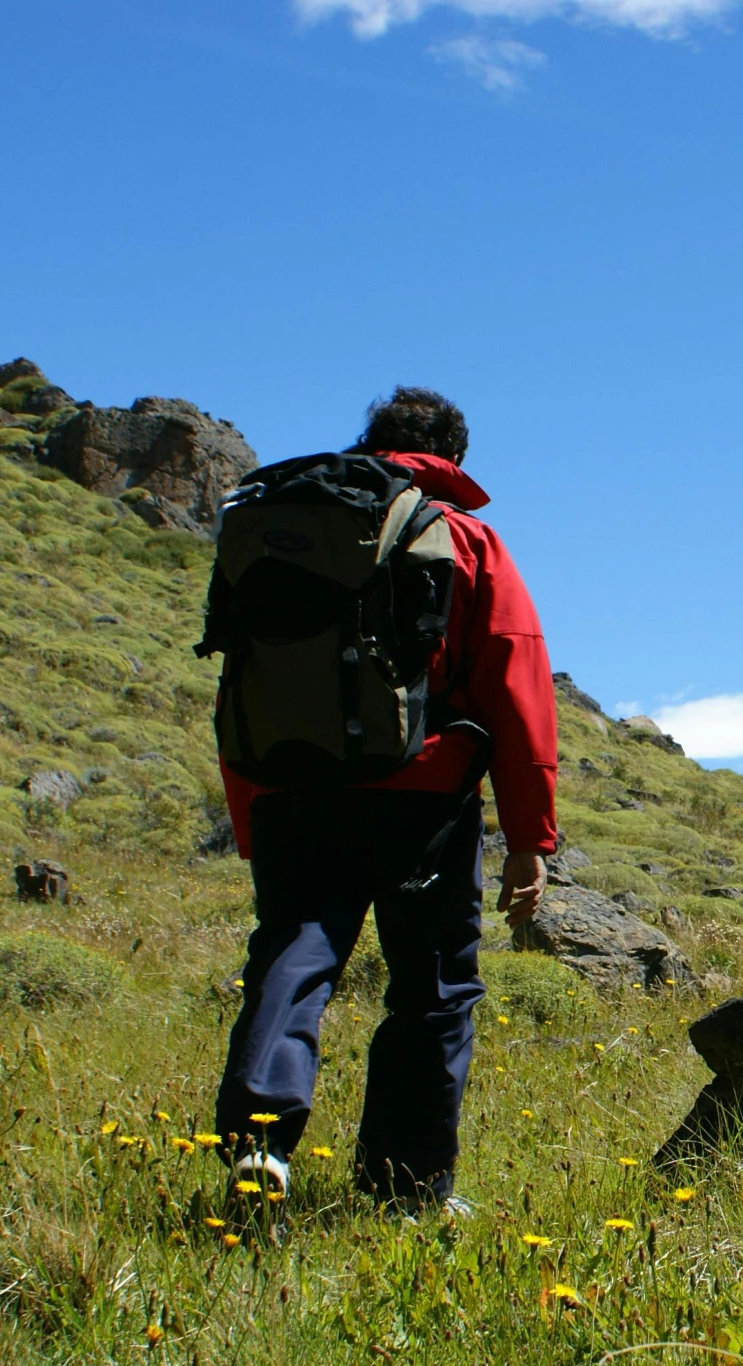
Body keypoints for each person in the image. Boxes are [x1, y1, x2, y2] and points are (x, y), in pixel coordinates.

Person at [209, 387, 557, 1214]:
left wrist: (252, 812)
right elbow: (517, 686)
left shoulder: (291, 534)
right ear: (454, 458)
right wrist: (527, 836)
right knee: (431, 991)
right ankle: (408, 1186)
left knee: (292, 953)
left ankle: (261, 1139)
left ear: (371, 440)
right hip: (423, 800)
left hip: (294, 790)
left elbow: (242, 686)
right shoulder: (463, 538)